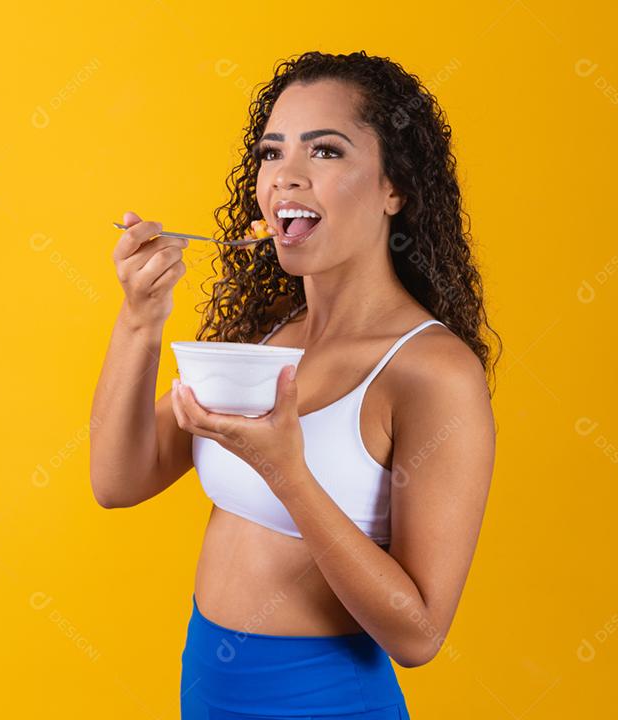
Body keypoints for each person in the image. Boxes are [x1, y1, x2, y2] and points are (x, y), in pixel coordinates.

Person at [90, 50, 498, 719]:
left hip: (328, 704)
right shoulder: (270, 338)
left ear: (395, 187)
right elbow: (117, 481)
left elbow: (419, 634)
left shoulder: (432, 372)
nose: (287, 178)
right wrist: (139, 321)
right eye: (272, 154)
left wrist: (289, 473)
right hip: (210, 696)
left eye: (326, 152)